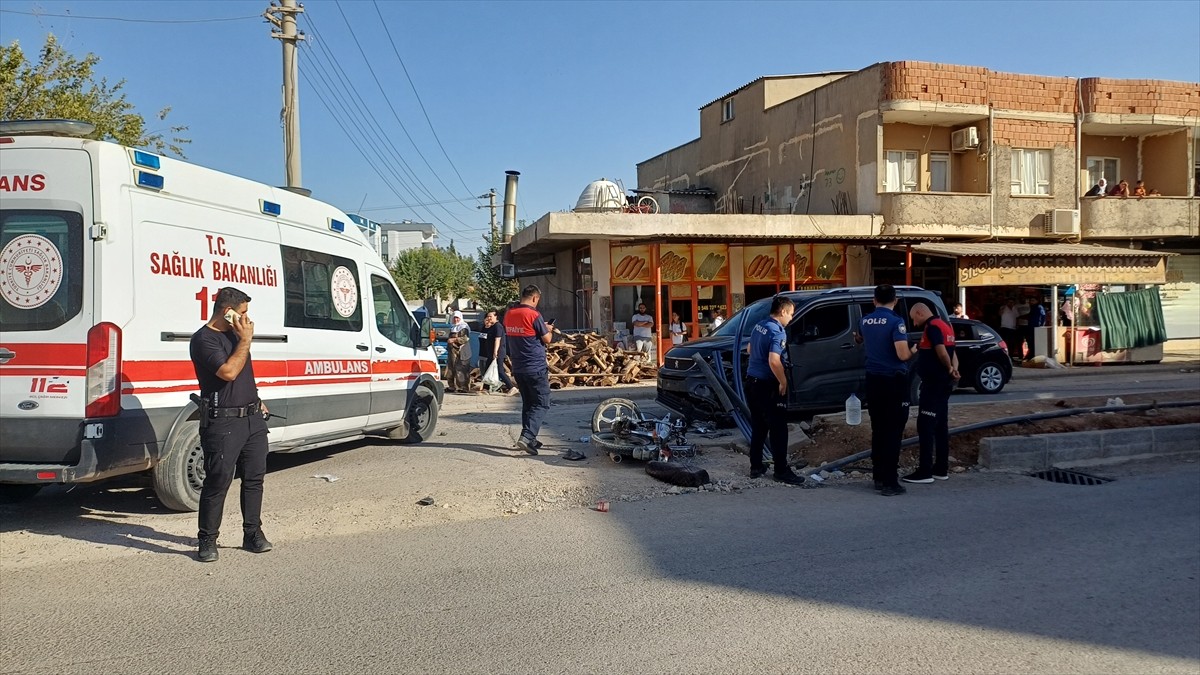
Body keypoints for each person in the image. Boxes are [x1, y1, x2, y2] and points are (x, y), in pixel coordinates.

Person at [189, 286, 272, 563]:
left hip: (252, 418)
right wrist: (245, 340)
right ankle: (207, 539)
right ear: (228, 312)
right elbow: (228, 372)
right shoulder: (204, 339)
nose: (247, 319)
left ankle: (253, 534)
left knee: (254, 478)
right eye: (243, 312)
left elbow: (245, 375)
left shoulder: (236, 336)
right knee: (218, 481)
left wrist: (256, 399)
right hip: (223, 422)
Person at [856, 284, 915, 497]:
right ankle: (890, 482)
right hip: (893, 380)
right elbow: (902, 355)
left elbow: (859, 338)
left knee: (878, 429)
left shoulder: (865, 320)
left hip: (873, 380)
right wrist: (914, 349)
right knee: (893, 430)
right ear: (895, 300)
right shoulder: (896, 322)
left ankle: (879, 476)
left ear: (874, 300)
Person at [744, 295, 805, 485]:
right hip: (767, 385)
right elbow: (774, 361)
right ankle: (781, 470)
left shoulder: (760, 325)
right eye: (791, 314)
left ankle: (756, 466)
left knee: (759, 426)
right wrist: (783, 381)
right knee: (778, 429)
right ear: (783, 311)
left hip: (752, 382)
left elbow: (749, 349)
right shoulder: (778, 332)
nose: (791, 318)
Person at [903, 302, 958, 484]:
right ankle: (941, 468)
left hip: (933, 384)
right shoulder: (945, 325)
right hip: (944, 383)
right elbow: (953, 353)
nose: (914, 323)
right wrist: (954, 369)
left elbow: (942, 352)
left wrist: (949, 368)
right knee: (941, 425)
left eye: (914, 318)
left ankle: (925, 471)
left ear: (920, 313)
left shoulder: (932, 327)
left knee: (925, 425)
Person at [505, 284, 554, 455]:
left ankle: (529, 438)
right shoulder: (533, 314)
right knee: (541, 403)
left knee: (528, 404)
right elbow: (547, 339)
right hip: (535, 367)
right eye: (537, 300)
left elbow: (524, 332)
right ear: (534, 298)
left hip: (518, 367)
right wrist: (548, 329)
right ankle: (527, 437)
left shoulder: (509, 314)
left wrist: (539, 328)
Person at [480, 310, 515, 395]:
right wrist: (486, 326)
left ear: (496, 317)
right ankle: (485, 388)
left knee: (500, 370)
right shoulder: (491, 327)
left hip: (498, 352)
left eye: (490, 316)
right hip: (490, 352)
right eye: (488, 316)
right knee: (488, 369)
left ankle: (511, 387)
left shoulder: (498, 326)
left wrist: (495, 352)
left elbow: (497, 339)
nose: (489, 318)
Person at [445, 310, 473, 393]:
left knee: (461, 370)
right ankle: (452, 386)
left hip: (461, 352)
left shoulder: (464, 327)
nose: (456, 320)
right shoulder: (453, 327)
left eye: (457, 318)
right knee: (450, 370)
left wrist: (454, 340)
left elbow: (465, 338)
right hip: (452, 352)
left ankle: (463, 387)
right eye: (454, 318)